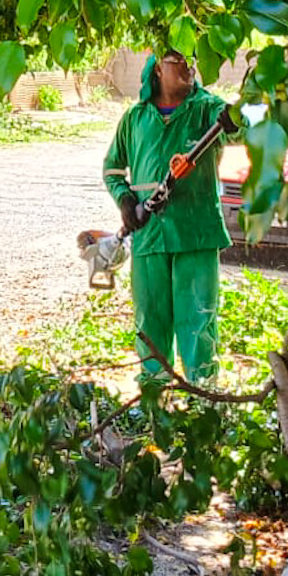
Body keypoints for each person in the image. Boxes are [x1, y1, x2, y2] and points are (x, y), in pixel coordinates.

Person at [102, 50, 232, 383]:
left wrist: (241, 115)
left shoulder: (208, 110)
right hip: (149, 235)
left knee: (198, 319)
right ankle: (154, 397)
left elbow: (244, 123)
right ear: (158, 68)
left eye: (192, 59)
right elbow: (113, 170)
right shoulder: (135, 118)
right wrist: (126, 202)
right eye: (178, 60)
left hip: (196, 233)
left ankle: (204, 397)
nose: (189, 66)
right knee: (151, 320)